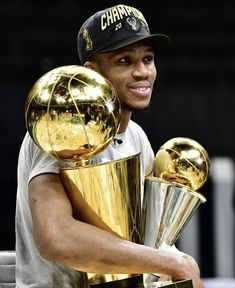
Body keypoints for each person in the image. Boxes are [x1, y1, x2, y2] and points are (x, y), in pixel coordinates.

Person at [15, 4, 205, 288]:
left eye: (148, 59)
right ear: (92, 72)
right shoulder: (57, 129)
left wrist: (176, 265)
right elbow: (56, 239)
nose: (143, 72)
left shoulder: (136, 137)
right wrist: (169, 263)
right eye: (125, 61)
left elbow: (148, 242)